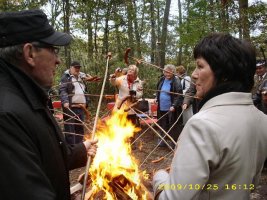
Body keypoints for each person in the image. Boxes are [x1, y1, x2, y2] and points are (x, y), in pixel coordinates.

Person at [153, 33, 267, 200]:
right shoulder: (262, 120)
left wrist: (160, 178)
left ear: (225, 74)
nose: (193, 74)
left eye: (200, 66)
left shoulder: (202, 125)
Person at [0, 9, 97, 200]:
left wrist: (80, 150)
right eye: (53, 50)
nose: (58, 60)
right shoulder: (6, 115)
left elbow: (41, 155)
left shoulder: (28, 97)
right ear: (29, 53)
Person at [59, 61, 99, 145]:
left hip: (81, 107)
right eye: (75, 67)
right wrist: (65, 101)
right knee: (70, 130)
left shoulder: (81, 76)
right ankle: (72, 149)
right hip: (70, 107)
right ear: (71, 67)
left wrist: (93, 79)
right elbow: (62, 90)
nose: (77, 69)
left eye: (78, 68)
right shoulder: (66, 77)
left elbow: (88, 79)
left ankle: (79, 147)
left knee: (79, 129)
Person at [155, 64, 183, 147]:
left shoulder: (176, 81)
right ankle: (163, 140)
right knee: (163, 124)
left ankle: (173, 143)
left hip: (171, 108)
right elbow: (158, 91)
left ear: (173, 72)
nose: (167, 74)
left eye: (169, 72)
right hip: (161, 107)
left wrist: (174, 105)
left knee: (172, 125)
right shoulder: (161, 80)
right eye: (165, 72)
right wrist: (157, 98)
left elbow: (179, 95)